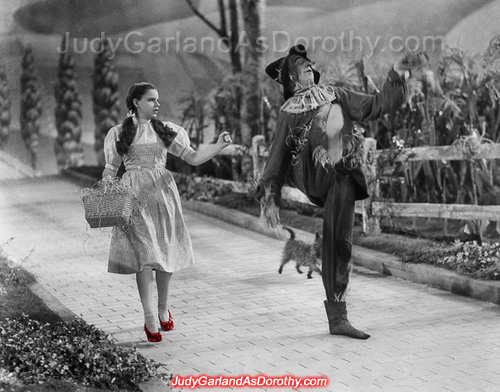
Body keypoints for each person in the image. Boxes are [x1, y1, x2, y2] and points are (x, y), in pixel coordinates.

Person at [254, 45, 427, 339]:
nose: (308, 67)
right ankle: (327, 149)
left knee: (339, 242)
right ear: (292, 79)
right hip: (312, 173)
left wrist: (397, 75)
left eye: (309, 64)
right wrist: (270, 200)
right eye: (300, 66)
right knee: (322, 143)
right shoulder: (287, 113)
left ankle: (338, 317)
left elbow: (375, 106)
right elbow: (276, 160)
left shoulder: (335, 94)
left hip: (342, 175)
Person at [102, 82, 231, 342]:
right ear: (136, 102)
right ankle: (150, 318)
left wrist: (218, 146)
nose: (157, 104)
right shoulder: (119, 133)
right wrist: (106, 183)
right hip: (134, 199)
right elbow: (109, 168)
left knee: (164, 254)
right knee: (143, 257)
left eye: (157, 100)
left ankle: (163, 309)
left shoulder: (167, 130)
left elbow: (193, 158)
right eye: (151, 100)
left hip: (163, 197)